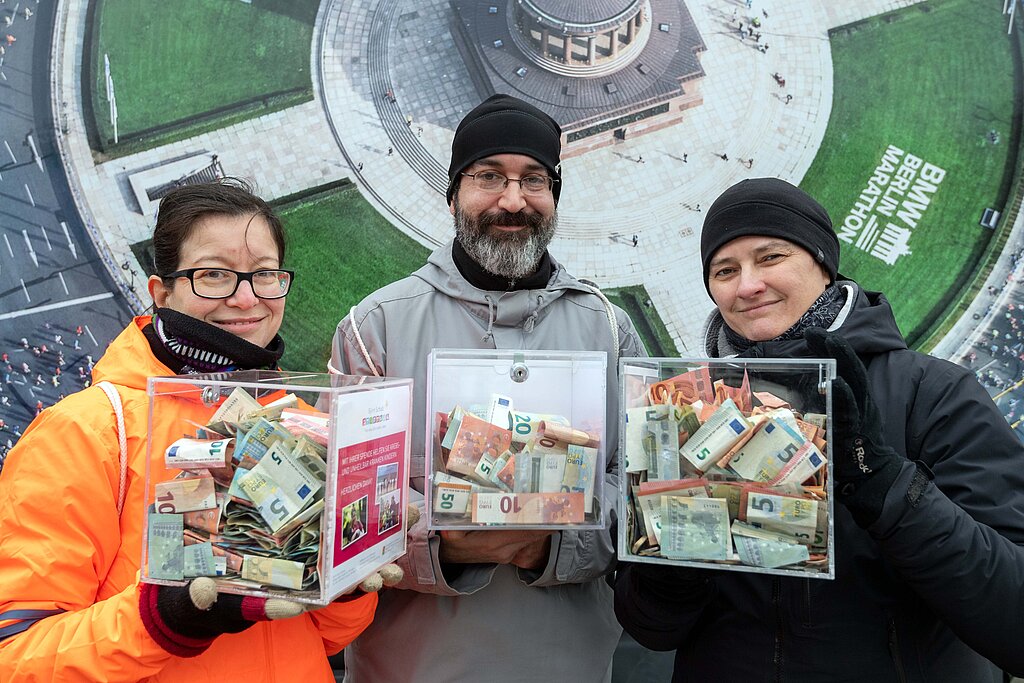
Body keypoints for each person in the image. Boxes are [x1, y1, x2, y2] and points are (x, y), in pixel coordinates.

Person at [614, 178, 1024, 681]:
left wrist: (886, 487)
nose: (747, 286)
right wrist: (671, 565)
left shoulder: (934, 393)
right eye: (725, 270)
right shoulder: (688, 408)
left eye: (770, 257)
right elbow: (652, 630)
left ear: (824, 264)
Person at [0, 180, 379, 681]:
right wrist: (162, 620)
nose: (246, 298)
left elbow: (323, 638)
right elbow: (16, 656)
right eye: (215, 274)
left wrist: (347, 581)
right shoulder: (86, 432)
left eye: (264, 274)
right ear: (162, 292)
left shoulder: (298, 424)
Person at [330, 94, 645, 681]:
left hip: (566, 666)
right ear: (452, 194)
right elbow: (343, 504)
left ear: (553, 196)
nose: (513, 200)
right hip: (410, 668)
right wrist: (441, 547)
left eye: (534, 179)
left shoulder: (608, 328)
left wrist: (549, 545)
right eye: (489, 176)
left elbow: (641, 494)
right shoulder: (374, 329)